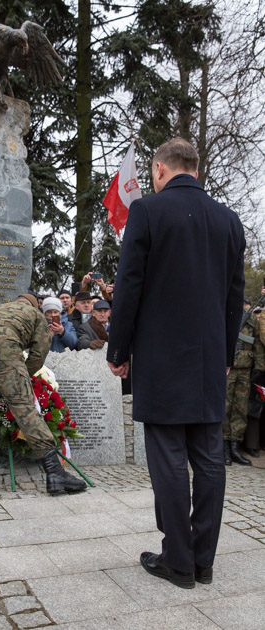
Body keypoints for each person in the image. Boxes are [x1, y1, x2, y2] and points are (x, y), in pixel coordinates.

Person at [107, 138, 245, 589]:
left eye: (153, 174)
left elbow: (129, 286)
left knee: (166, 456)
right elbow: (234, 297)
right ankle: (202, 562)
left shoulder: (147, 211)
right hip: (208, 361)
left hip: (162, 358)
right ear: (196, 169)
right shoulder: (229, 221)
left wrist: (118, 349)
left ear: (161, 169)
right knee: (208, 459)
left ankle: (178, 561)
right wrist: (225, 355)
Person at [0, 294, 86, 494]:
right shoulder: (35, 315)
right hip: (4, 348)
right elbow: (38, 354)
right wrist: (21, 378)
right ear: (34, 305)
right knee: (25, 410)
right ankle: (54, 473)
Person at [224, 297, 265, 465]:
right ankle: (223, 447)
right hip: (228, 370)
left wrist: (259, 368)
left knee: (240, 409)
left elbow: (257, 347)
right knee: (225, 407)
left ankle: (235, 445)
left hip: (245, 370)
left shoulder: (251, 322)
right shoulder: (226, 317)